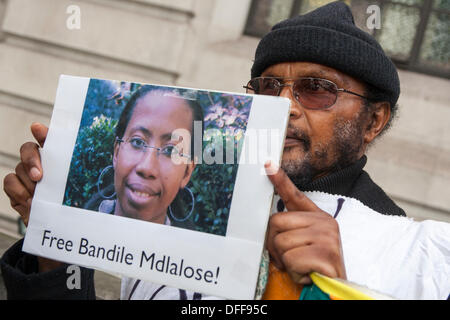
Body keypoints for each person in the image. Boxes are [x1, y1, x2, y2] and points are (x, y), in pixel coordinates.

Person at [1, 1, 448, 300]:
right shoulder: (168, 221)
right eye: (269, 86)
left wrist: (331, 290)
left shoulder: (420, 259)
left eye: (317, 89)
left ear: (374, 120)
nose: (284, 105)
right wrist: (54, 246)